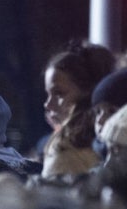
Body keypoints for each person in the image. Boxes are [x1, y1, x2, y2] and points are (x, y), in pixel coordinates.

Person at [41, 41, 116, 179]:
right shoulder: (115, 140)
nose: (47, 104)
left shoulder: (66, 149)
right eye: (48, 94)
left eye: (59, 94)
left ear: (88, 92)